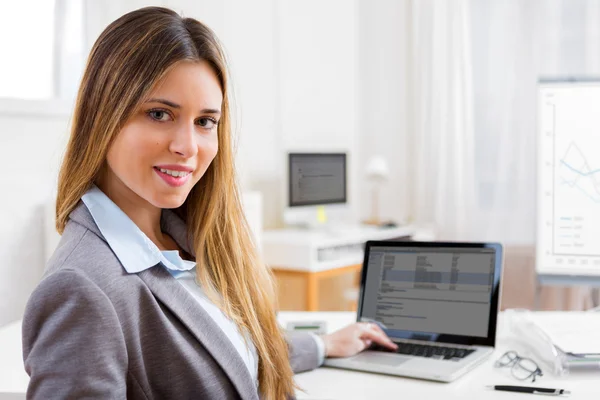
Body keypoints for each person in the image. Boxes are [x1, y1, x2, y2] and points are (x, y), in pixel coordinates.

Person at [21, 6, 397, 400]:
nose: (187, 147)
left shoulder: (186, 237)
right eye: (159, 113)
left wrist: (323, 344)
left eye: (205, 122)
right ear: (103, 115)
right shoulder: (80, 289)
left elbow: (226, 350)